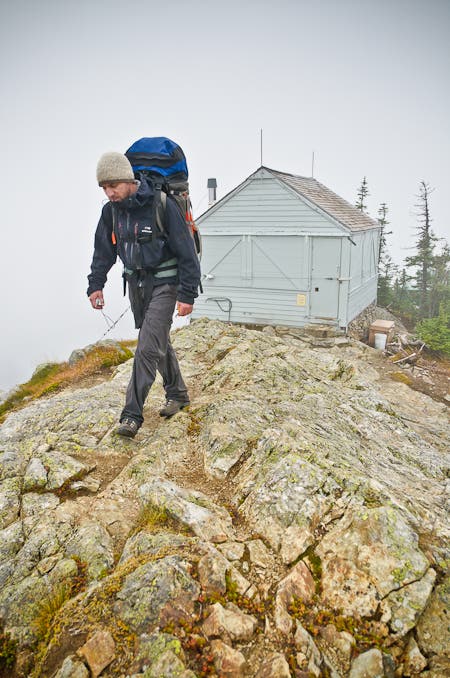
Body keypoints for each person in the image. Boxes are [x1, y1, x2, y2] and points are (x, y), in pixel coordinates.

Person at [87, 151, 201, 438]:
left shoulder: (160, 204)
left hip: (166, 283)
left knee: (147, 346)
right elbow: (104, 251)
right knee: (158, 341)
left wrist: (187, 294)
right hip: (137, 286)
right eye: (104, 187)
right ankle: (178, 393)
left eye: (113, 185)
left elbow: (187, 252)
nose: (109, 192)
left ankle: (131, 415)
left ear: (128, 179)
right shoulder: (110, 211)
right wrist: (95, 284)